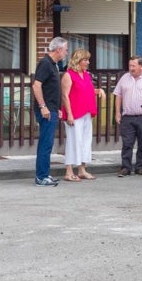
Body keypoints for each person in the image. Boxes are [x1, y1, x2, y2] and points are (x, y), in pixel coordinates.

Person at [30, 36, 69, 187]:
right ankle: (41, 176)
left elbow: (52, 89)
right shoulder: (45, 63)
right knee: (46, 144)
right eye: (65, 50)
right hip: (45, 110)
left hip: (51, 109)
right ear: (58, 49)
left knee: (48, 143)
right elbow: (36, 85)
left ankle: (44, 174)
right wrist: (43, 106)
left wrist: (57, 108)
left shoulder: (53, 64)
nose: (66, 53)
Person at [60, 48, 101, 182]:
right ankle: (69, 171)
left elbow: (85, 90)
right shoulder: (69, 75)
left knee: (85, 141)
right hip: (75, 113)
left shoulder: (86, 74)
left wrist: (97, 91)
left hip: (86, 111)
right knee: (73, 141)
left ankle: (82, 169)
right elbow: (65, 96)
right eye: (86, 60)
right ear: (78, 60)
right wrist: (70, 114)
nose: (88, 62)